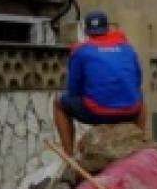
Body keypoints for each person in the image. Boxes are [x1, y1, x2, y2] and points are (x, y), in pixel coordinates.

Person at [54, 10, 145, 155]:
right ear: (107, 29)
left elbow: (73, 89)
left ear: (86, 31)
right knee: (139, 95)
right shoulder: (127, 47)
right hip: (130, 112)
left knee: (59, 103)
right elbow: (138, 81)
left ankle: (69, 158)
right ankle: (142, 143)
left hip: (97, 112)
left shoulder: (80, 50)